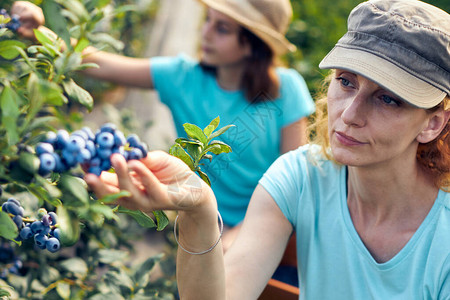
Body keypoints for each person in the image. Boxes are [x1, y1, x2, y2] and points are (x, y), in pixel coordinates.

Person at [86, 0, 450, 298]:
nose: (350, 115)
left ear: (433, 123)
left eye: (387, 99)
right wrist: (200, 211)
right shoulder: (301, 176)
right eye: (345, 81)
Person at [12, 0, 315, 251]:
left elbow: (293, 184)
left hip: (271, 230)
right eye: (208, 20)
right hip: (204, 228)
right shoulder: (183, 78)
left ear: (253, 45)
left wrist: (244, 236)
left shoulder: (285, 89)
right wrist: (38, 31)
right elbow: (99, 63)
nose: (205, 33)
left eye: (222, 28)